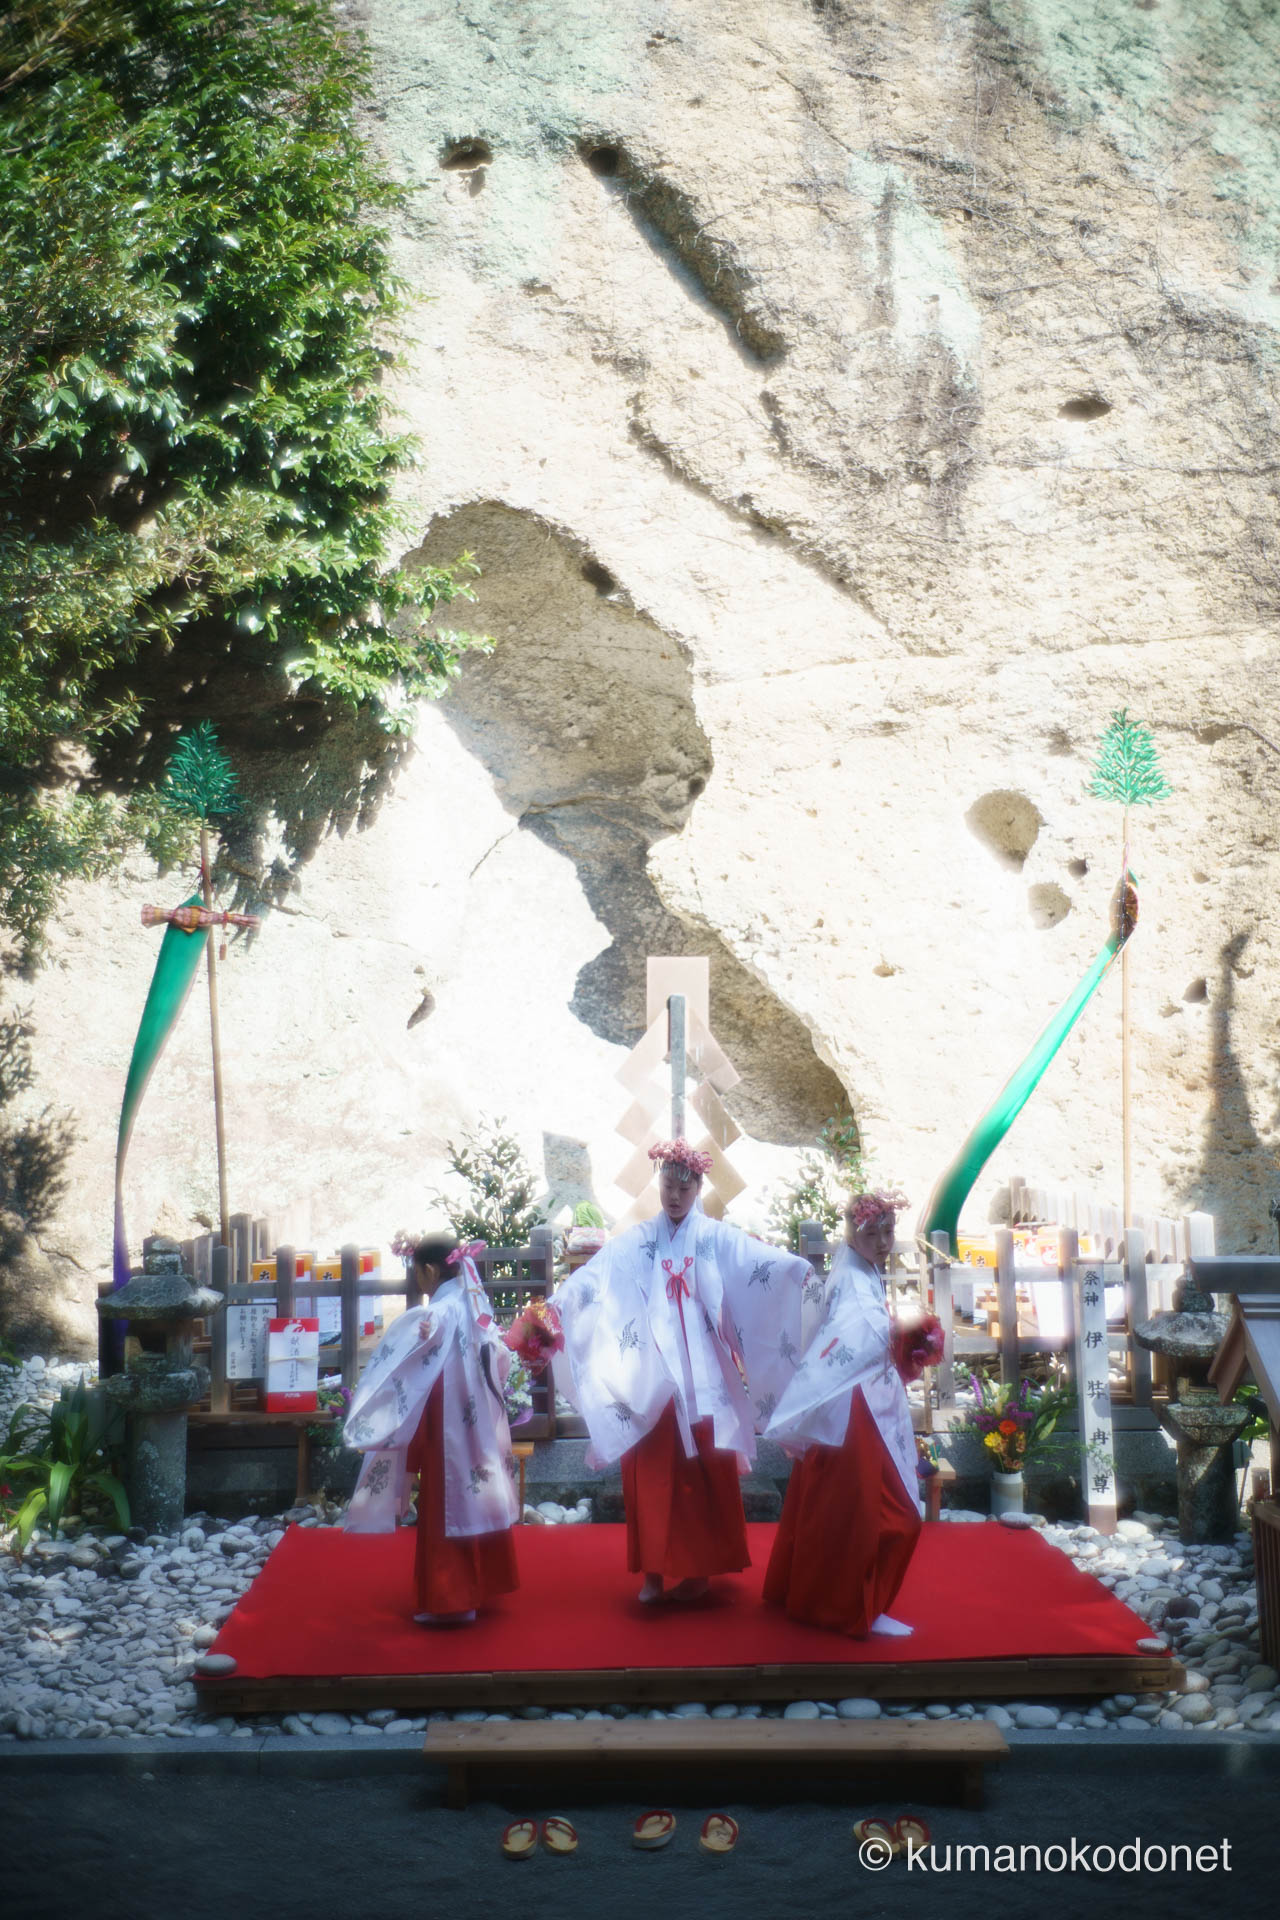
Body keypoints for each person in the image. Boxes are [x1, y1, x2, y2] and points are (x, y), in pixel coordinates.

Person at [512, 1140, 820, 1604]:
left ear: (698, 1187)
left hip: (704, 1381)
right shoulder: (639, 1241)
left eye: (683, 1186)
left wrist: (799, 1272)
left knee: (704, 1475)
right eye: (667, 1185)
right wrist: (556, 1308)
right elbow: (595, 1276)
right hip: (653, 1374)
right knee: (651, 1473)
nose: (674, 1195)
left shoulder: (715, 1237)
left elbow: (759, 1261)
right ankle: (654, 1572)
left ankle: (700, 1571)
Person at [762, 1189, 923, 1637]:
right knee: (883, 1512)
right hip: (857, 1404)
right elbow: (868, 1335)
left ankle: (828, 1598)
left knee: (835, 1503)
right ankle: (855, 1606)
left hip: (852, 1396)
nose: (883, 1242)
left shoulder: (856, 1268)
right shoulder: (852, 1278)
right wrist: (911, 1338)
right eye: (872, 1233)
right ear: (853, 1233)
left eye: (888, 1232)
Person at [342, 1235, 519, 1624]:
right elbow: (500, 1354)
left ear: (429, 1270)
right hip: (476, 1416)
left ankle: (453, 1599)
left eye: (417, 1272)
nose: (417, 1281)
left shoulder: (441, 1309)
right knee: (476, 1493)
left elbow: (428, 1335)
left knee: (448, 1501)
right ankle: (480, 1583)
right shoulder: (473, 1299)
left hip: (447, 1419)